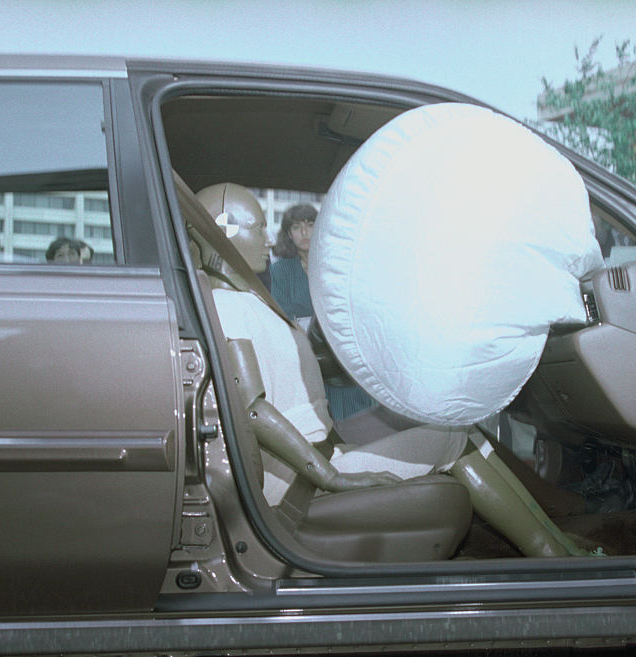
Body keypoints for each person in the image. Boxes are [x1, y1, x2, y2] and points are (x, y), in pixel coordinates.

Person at [196, 182, 590, 558]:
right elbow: (252, 409)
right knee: (450, 438)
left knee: (455, 427)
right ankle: (550, 550)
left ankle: (550, 535)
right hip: (303, 481)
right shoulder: (228, 308)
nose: (268, 239)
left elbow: (301, 371)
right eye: (260, 227)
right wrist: (332, 477)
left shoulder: (247, 304)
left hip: (316, 459)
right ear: (224, 231)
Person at [270, 203, 373, 421]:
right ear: (289, 234)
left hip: (343, 354)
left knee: (359, 417)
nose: (305, 233)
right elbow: (282, 316)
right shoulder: (280, 270)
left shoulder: (336, 264)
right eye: (297, 228)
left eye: (310, 225)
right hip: (304, 355)